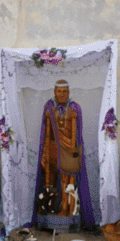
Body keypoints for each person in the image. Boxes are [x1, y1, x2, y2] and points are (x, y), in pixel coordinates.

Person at [36, 80, 87, 222]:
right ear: (54, 92)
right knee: (49, 179)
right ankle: (50, 207)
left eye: (65, 91)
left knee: (68, 180)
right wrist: (45, 151)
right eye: (59, 91)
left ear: (69, 92)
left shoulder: (74, 108)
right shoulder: (50, 107)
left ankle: (67, 209)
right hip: (52, 147)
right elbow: (46, 132)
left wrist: (73, 150)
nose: (62, 94)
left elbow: (76, 133)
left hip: (68, 149)